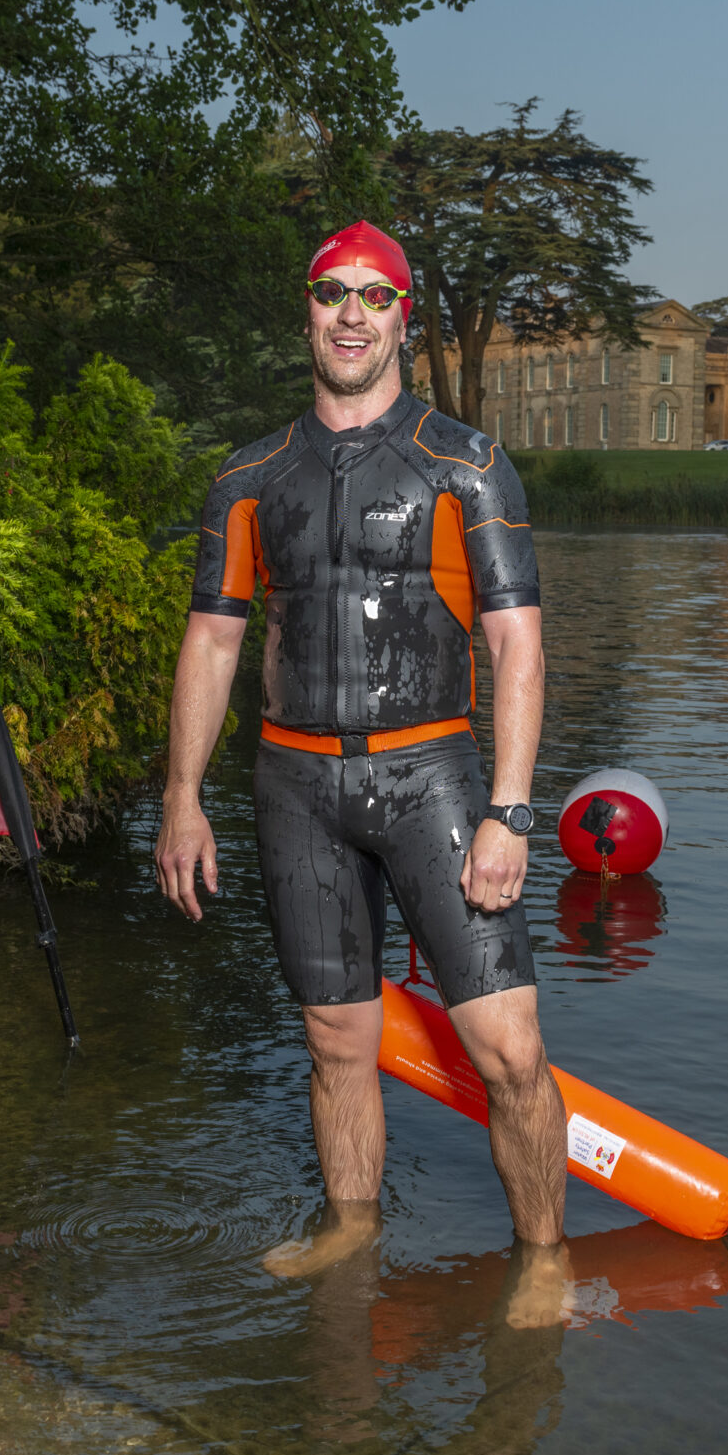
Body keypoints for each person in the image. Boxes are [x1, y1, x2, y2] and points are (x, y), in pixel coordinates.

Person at [154, 220, 570, 1325]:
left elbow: (515, 641)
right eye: (332, 293)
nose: (351, 313)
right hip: (296, 789)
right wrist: (181, 798)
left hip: (431, 776)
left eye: (372, 296)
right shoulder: (247, 477)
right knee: (337, 1042)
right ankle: (350, 1234)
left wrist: (511, 813)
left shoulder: (465, 465)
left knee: (510, 1050)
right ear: (307, 312)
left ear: (401, 318)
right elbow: (213, 641)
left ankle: (541, 1262)